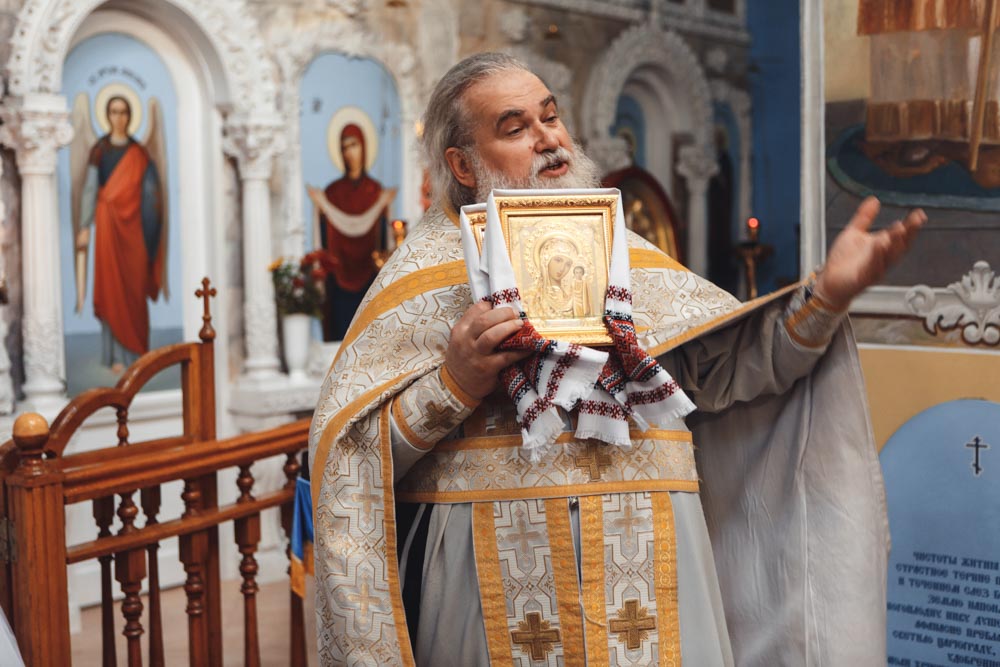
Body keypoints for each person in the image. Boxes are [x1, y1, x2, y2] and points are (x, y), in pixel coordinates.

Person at [310, 53, 923, 666]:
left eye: (551, 117)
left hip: (655, 561)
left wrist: (826, 297)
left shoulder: (626, 257)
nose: (548, 138)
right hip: (493, 583)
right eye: (516, 127)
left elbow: (727, 371)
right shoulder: (420, 281)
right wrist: (454, 382)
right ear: (462, 164)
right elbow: (351, 459)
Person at [76, 96, 164, 372]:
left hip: (135, 231)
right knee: (111, 288)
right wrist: (84, 226)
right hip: (108, 227)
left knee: (134, 289)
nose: (119, 117)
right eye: (114, 112)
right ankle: (115, 356)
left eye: (124, 112)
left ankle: (137, 351)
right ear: (107, 115)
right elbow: (90, 189)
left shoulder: (139, 154)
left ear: (130, 116)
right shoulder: (99, 151)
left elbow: (152, 197)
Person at [307, 124, 397, 341]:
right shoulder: (332, 193)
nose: (349, 153)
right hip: (338, 282)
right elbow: (324, 238)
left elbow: (384, 241)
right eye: (344, 147)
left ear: (364, 147)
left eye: (354, 145)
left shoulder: (375, 191)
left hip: (370, 279)